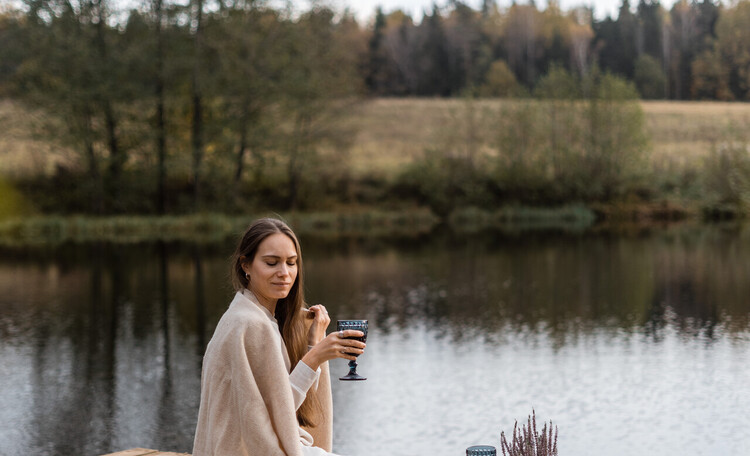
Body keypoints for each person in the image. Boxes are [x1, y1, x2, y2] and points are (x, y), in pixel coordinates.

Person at [193, 218, 366, 456]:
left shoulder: (254, 316)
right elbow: (275, 418)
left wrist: (312, 342)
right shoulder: (250, 324)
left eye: (291, 263)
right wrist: (314, 357)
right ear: (246, 265)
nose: (284, 273)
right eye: (272, 263)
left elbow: (285, 407)